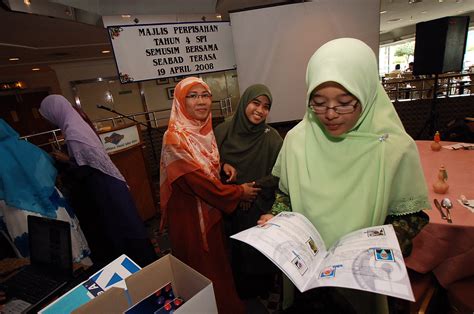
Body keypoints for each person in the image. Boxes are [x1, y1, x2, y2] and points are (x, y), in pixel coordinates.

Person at [259, 38, 430, 313]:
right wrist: (277, 218)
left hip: (362, 278)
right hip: (307, 276)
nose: (329, 114)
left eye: (345, 103)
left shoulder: (393, 146)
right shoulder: (297, 140)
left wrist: (379, 247)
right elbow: (285, 195)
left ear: (367, 93)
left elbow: (411, 216)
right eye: (318, 102)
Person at [160, 77, 260, 314]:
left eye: (205, 95)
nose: (201, 101)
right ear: (180, 102)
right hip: (191, 220)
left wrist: (221, 165)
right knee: (205, 272)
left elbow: (201, 163)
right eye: (192, 96)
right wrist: (239, 192)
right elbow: (199, 183)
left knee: (218, 265)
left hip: (209, 212)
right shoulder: (174, 137)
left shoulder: (202, 129)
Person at [39, 95, 156, 267]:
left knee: (120, 229)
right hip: (109, 186)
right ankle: (140, 266)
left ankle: (138, 268)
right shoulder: (77, 124)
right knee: (125, 225)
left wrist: (65, 160)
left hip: (104, 189)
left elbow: (86, 168)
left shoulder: (74, 132)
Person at [214, 84, 283, 300]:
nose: (260, 110)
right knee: (233, 250)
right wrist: (235, 190)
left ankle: (262, 288)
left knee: (258, 253)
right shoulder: (223, 131)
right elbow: (209, 163)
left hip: (259, 204)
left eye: (266, 106)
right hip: (227, 205)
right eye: (255, 103)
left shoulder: (271, 137)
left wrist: (251, 189)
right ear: (245, 102)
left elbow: (280, 174)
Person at [0, 119, 90, 263]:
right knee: (69, 242)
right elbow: (48, 167)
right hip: (52, 202)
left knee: (41, 256)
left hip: (17, 212)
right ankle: (83, 271)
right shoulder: (25, 147)